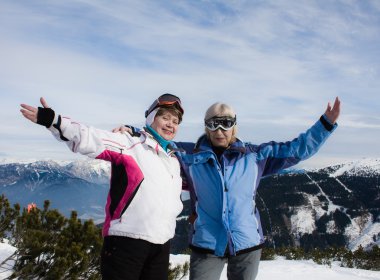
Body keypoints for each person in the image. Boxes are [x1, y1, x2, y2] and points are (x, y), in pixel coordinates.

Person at [115, 97, 341, 280]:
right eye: (214, 124)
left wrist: (325, 125)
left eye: (226, 123)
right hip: (207, 244)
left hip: (247, 244)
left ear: (234, 126)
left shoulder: (255, 156)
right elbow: (158, 142)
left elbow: (296, 150)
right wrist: (134, 132)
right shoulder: (189, 155)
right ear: (206, 127)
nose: (220, 130)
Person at [20, 93, 185, 280]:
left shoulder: (172, 159)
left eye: (175, 121)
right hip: (127, 241)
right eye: (165, 117)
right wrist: (55, 121)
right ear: (151, 118)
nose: (171, 124)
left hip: (161, 244)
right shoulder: (130, 144)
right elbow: (91, 138)